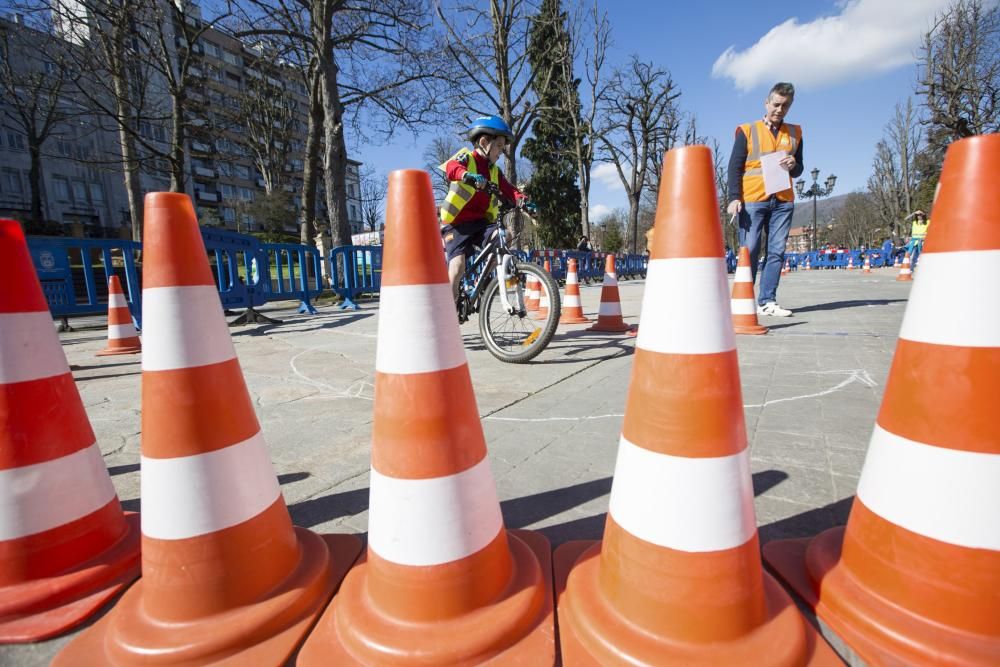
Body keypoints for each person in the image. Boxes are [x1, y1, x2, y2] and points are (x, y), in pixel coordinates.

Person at [726, 82, 804, 317]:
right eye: (776, 104)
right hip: (753, 199)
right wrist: (733, 198)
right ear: (767, 103)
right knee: (749, 250)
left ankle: (767, 301)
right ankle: (744, 299)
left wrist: (794, 165)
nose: (780, 110)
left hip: (782, 200)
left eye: (785, 106)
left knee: (777, 251)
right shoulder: (747, 130)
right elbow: (734, 167)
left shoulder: (795, 133)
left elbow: (799, 168)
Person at [439, 115, 529, 303]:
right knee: (457, 266)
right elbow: (451, 167)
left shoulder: (495, 171)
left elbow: (509, 190)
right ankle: (448, 310)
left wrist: (523, 200)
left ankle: (484, 283)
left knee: (506, 235)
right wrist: (466, 175)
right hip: (456, 224)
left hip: (481, 224)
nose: (501, 152)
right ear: (483, 142)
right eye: (499, 146)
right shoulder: (467, 158)